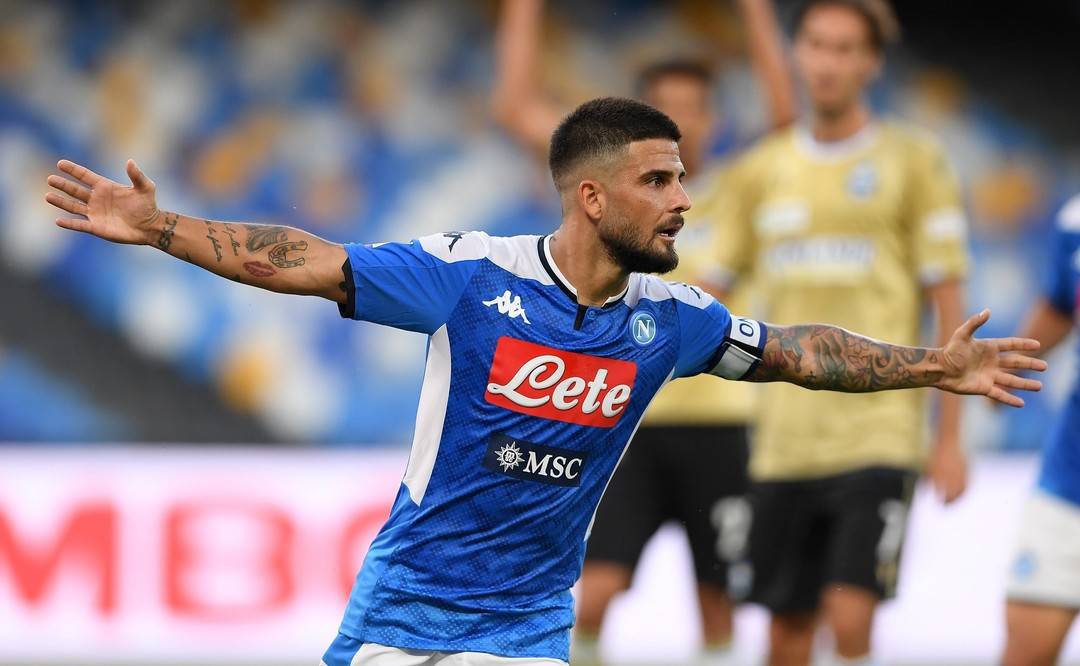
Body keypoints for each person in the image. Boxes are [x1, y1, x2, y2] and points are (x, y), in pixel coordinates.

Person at [45, 97, 1042, 666]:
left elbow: (794, 352)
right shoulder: (471, 276)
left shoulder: (671, 320)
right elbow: (307, 261)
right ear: (592, 197)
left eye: (682, 178)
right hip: (400, 606)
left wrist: (933, 365)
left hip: (524, 628)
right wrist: (161, 226)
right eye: (660, 181)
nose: (684, 201)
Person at [492, 2, 795, 661]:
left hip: (721, 425)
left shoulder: (741, 185)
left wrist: (755, 12)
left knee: (717, 601)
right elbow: (517, 108)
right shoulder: (615, 191)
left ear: (715, 118)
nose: (682, 122)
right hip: (623, 418)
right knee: (596, 591)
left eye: (694, 108)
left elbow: (785, 123)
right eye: (666, 109)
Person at [703, 1, 971, 664]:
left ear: (872, 62)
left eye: (846, 48)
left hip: (878, 431)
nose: (828, 63)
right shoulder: (761, 170)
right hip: (781, 441)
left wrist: (949, 439)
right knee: (784, 633)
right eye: (818, 45)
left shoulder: (915, 160)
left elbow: (948, 299)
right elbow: (714, 288)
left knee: (851, 619)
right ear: (797, 54)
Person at [1003, 194, 1080, 666]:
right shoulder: (1075, 220)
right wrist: (1010, 362)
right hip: (1070, 477)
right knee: (1025, 649)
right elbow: (1060, 304)